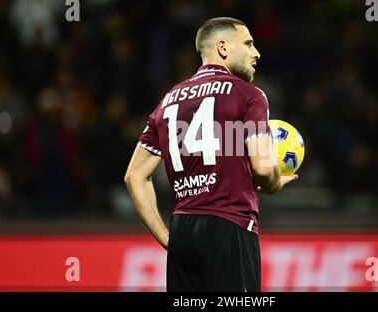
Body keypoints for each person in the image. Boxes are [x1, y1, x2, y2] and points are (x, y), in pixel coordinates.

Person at [124, 17, 298, 292]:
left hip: (182, 230)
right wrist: (275, 182)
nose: (257, 53)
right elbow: (264, 169)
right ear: (223, 47)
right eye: (249, 44)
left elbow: (134, 176)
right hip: (229, 226)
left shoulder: (168, 100)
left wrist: (168, 239)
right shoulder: (249, 95)